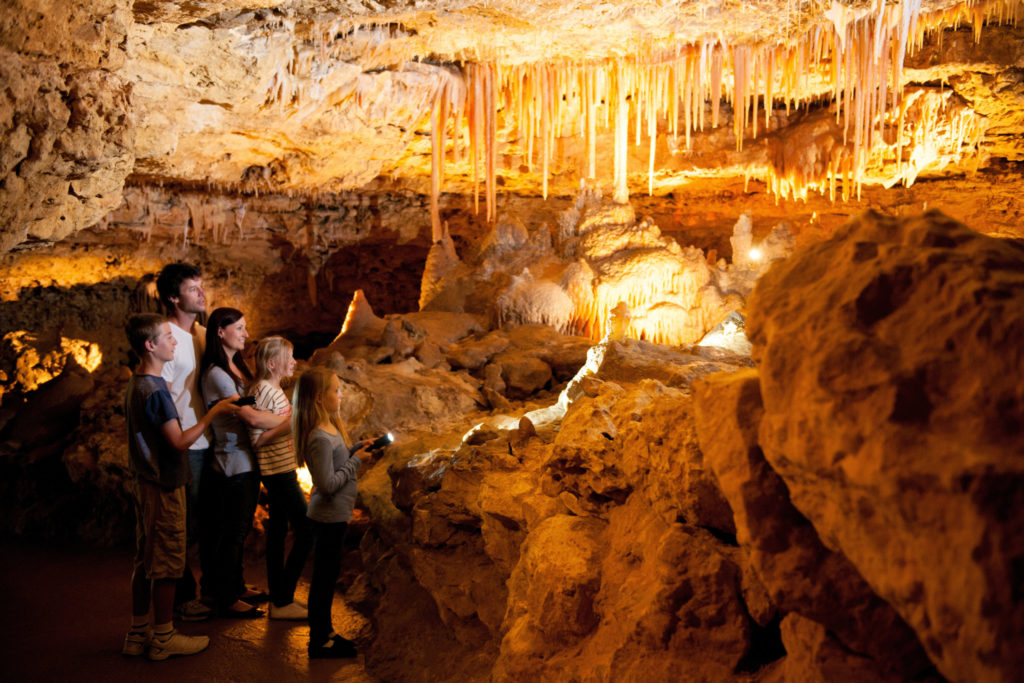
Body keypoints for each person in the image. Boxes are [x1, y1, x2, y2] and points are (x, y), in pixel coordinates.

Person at [122, 314, 239, 660]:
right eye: (167, 338)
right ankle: (163, 636)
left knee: (145, 560)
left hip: (145, 482)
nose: (175, 342)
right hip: (165, 484)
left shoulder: (137, 382)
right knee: (168, 561)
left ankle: (137, 631)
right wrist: (212, 414)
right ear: (150, 345)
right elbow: (177, 441)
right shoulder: (155, 390)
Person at [293, 367, 383, 658]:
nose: (340, 394)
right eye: (335, 390)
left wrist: (356, 448)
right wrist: (355, 461)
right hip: (327, 517)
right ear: (320, 398)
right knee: (323, 580)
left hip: (336, 516)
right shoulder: (319, 436)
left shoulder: (330, 428)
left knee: (328, 577)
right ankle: (318, 641)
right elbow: (327, 483)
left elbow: (335, 463)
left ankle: (327, 632)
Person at [199, 307, 284, 618]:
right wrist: (288, 419)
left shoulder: (237, 367)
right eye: (240, 328)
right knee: (231, 533)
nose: (246, 334)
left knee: (240, 528)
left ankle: (235, 584)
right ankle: (224, 596)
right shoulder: (217, 374)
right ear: (220, 332)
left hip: (245, 458)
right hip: (232, 461)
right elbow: (248, 415)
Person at [155, 262, 213, 622]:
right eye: (193, 288)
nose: (202, 293)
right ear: (174, 298)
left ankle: (213, 587)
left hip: (206, 442)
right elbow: (157, 392)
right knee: (181, 525)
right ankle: (180, 597)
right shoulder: (165, 338)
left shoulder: (203, 335)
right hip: (181, 444)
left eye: (202, 286)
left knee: (205, 521)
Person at [247, 336, 313, 620]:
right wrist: (291, 425)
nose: (294, 362)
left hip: (283, 467)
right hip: (277, 471)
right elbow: (257, 440)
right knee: (308, 528)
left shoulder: (272, 390)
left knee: (277, 531)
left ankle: (280, 599)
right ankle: (283, 595)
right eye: (290, 357)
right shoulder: (263, 391)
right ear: (272, 363)